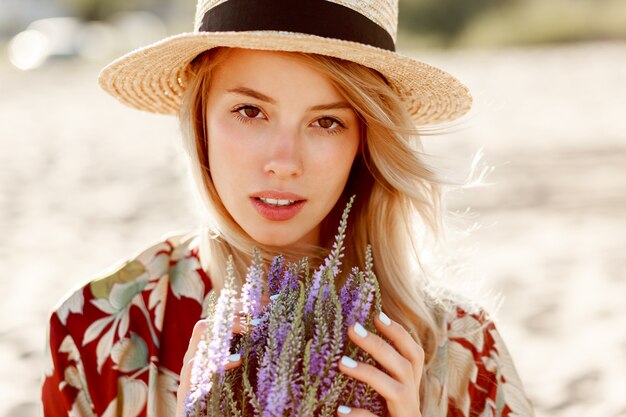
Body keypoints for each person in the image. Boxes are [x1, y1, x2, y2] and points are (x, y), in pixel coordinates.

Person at [42, 0, 535, 416]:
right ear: (200, 120)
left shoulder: (462, 349)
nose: (284, 163)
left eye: (326, 122)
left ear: (364, 141)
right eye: (250, 111)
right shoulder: (97, 330)